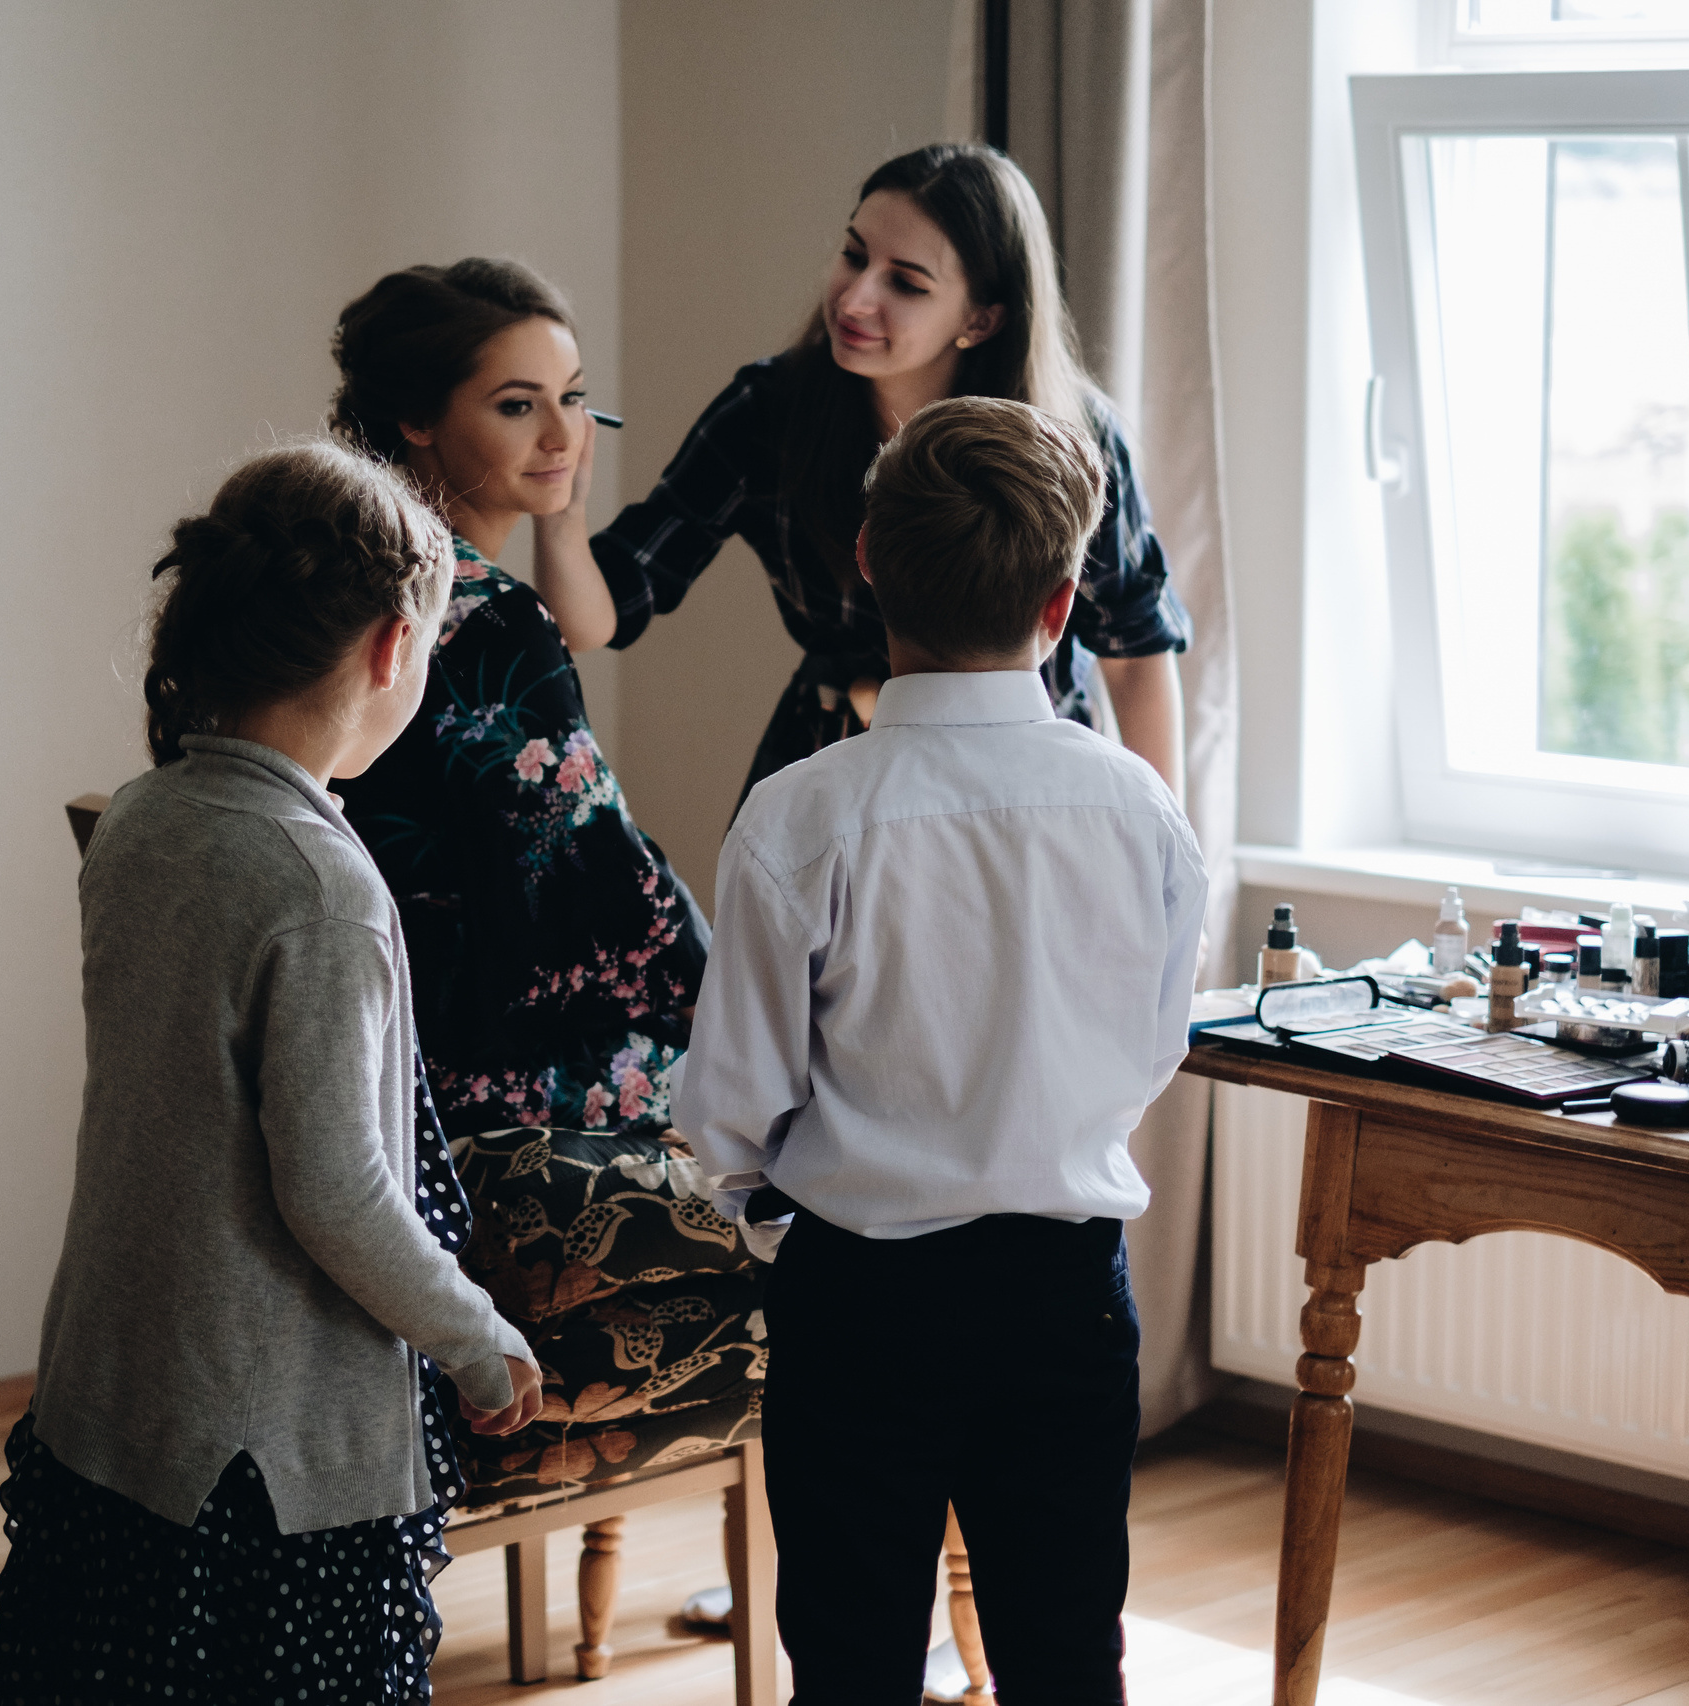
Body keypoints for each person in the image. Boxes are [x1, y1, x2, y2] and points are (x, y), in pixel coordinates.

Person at [0, 443, 544, 1706]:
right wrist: (477, 1340)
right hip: (261, 1458)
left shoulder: (143, 816)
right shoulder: (316, 883)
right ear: (393, 649)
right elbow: (336, 1188)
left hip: (116, 1389)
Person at [675, 398, 1207, 1704]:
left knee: (852, 1660)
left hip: (861, 1302)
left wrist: (763, 1221)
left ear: (866, 555)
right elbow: (1153, 1042)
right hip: (1065, 1295)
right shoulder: (1137, 802)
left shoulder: (802, 817)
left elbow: (729, 1105)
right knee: (1068, 1652)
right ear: (1064, 600)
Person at [528, 141, 1190, 806]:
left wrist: (1164, 864)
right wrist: (560, 508)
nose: (854, 297)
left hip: (1029, 783)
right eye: (854, 254)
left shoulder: (1079, 437)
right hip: (836, 765)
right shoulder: (769, 413)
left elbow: (1134, 658)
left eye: (905, 282)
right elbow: (597, 616)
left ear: (982, 319)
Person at [326, 260, 705, 1138]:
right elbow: (598, 888)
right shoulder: (485, 617)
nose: (562, 436)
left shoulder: (344, 570)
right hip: (460, 1056)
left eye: (574, 398)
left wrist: (563, 517)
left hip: (359, 1024)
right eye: (517, 405)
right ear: (416, 417)